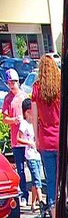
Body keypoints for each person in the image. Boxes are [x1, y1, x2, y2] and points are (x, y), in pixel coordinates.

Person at [31, 54, 61, 218]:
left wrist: (36, 137)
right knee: (64, 179)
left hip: (45, 139)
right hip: (60, 139)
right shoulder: (60, 87)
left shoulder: (36, 89)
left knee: (51, 180)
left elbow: (35, 117)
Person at [2, 69, 29, 206]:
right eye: (10, 82)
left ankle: (38, 197)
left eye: (14, 82)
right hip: (15, 139)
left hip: (28, 138)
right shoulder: (7, 99)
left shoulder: (24, 96)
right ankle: (24, 194)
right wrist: (14, 120)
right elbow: (5, 119)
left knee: (33, 166)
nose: (12, 85)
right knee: (20, 169)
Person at [16, 98, 43, 213]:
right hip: (30, 155)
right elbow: (18, 138)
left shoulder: (35, 123)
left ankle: (33, 204)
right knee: (37, 180)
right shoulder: (24, 124)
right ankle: (42, 202)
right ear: (27, 112)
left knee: (35, 180)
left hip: (38, 155)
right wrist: (29, 143)